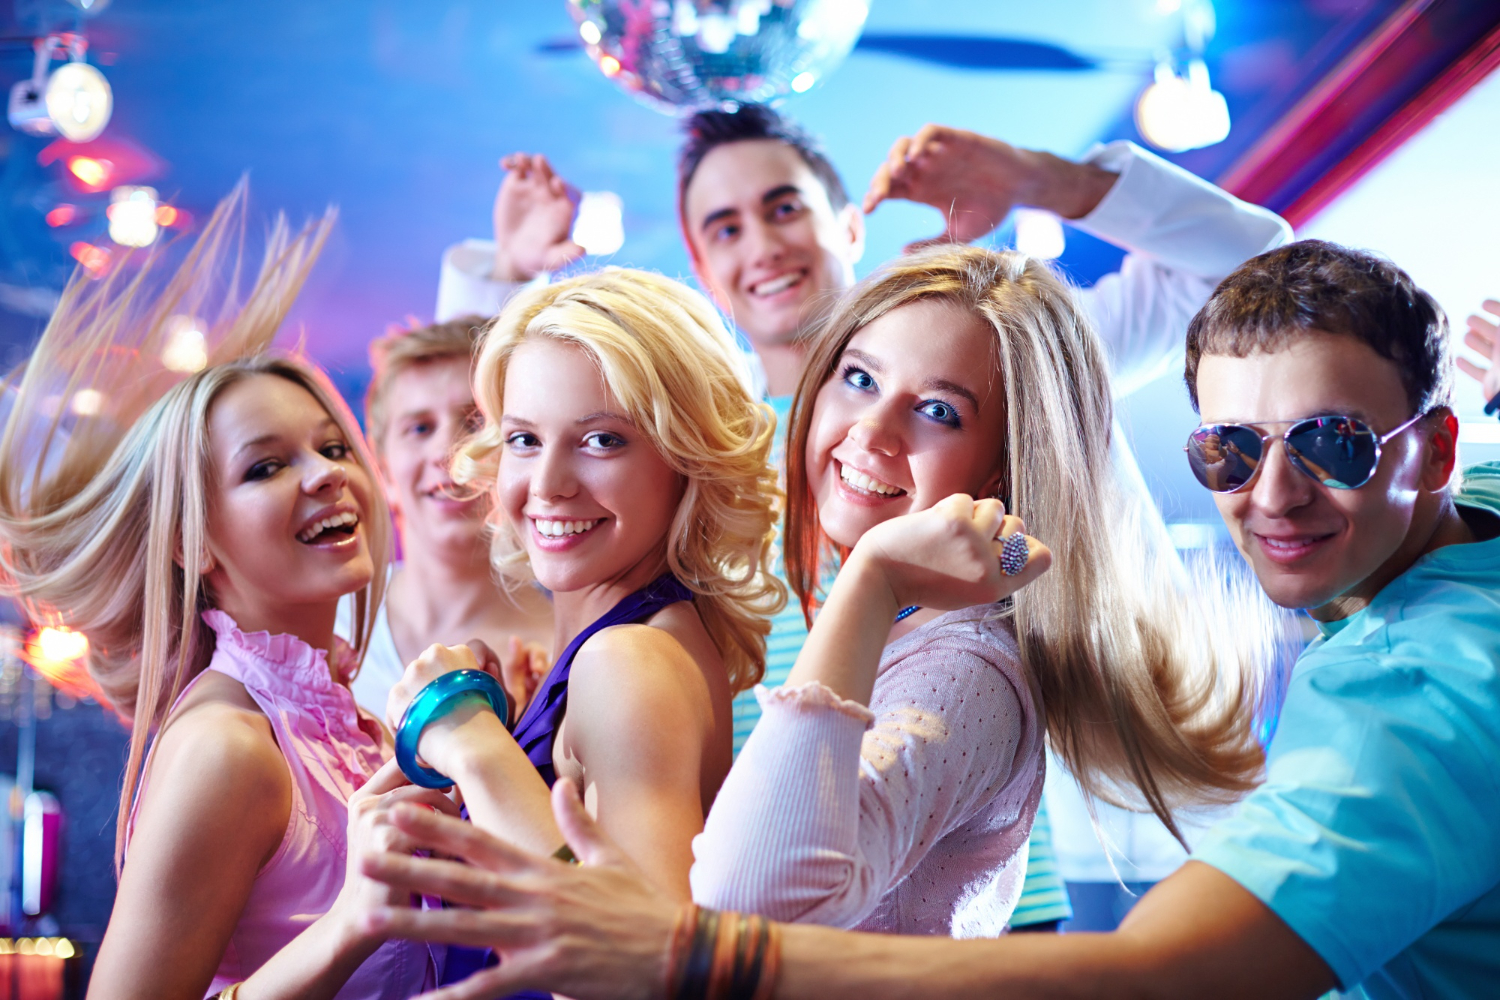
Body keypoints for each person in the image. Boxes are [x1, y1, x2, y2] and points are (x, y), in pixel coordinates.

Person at [357, 241, 1500, 1000]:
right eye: (856, 378)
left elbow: (720, 913)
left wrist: (868, 590)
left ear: (1006, 459)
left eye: (938, 409)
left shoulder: (960, 663)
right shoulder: (1466, 535)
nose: (1275, 491)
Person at [435, 111, 1292, 930]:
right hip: (776, 853)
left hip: (937, 877)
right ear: (699, 260)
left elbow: (1253, 267)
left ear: (848, 224)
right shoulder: (712, 443)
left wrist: (1041, 179)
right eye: (725, 227)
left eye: (784, 207)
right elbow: (526, 458)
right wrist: (501, 276)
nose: (763, 244)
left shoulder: (996, 338)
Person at [0, 188, 448, 998]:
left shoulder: (345, 722)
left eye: (332, 446)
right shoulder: (228, 747)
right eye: (266, 466)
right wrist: (351, 926)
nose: (326, 477)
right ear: (191, 541)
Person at [383, 267, 783, 984]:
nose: (548, 484)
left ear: (686, 458)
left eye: (601, 441)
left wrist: (475, 746)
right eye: (524, 439)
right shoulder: (631, 642)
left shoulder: (630, 661)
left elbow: (643, 975)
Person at [335, 316, 553, 717]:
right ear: (381, 469)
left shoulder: (559, 651)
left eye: (475, 422)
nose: (448, 452)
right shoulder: (329, 622)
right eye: (419, 428)